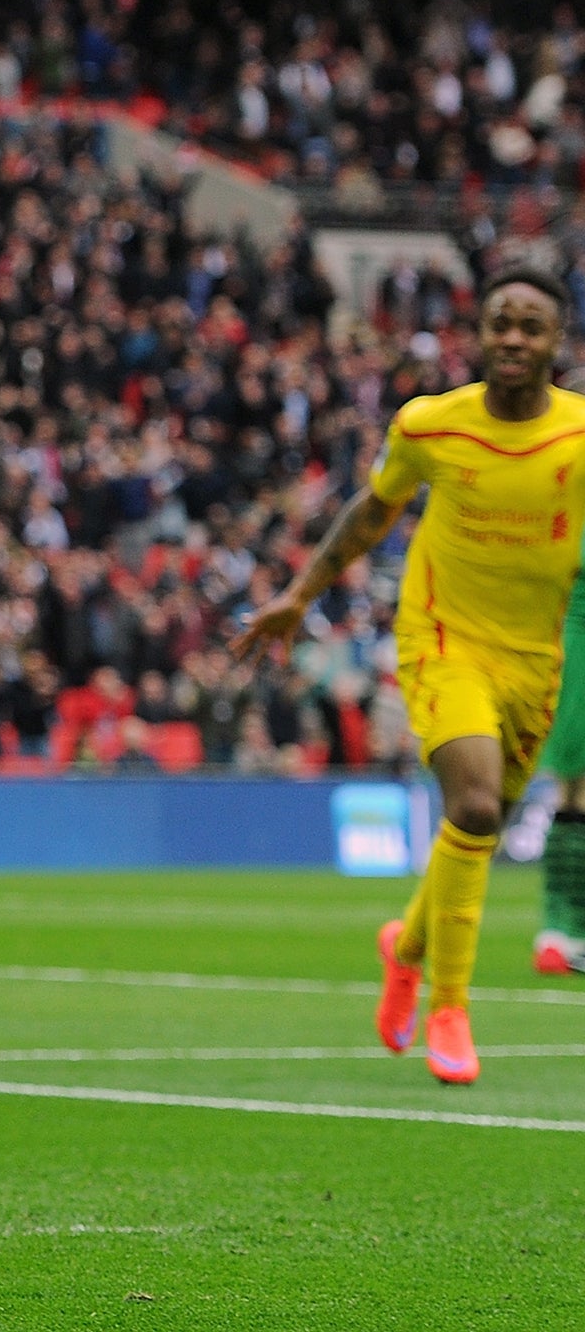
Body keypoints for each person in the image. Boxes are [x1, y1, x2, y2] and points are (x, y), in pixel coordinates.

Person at [233, 266, 585, 1085]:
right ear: (480, 332)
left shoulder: (577, 436)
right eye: (501, 322)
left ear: (556, 342)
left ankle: (409, 945)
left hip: (536, 659)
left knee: (484, 824)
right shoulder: (432, 425)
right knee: (470, 803)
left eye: (531, 326)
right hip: (442, 639)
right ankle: (449, 1009)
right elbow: (372, 509)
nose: (513, 338)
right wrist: (299, 594)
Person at [533, 364, 585, 976]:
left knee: (574, 785)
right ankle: (560, 926)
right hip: (577, 627)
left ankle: (562, 929)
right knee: (574, 784)